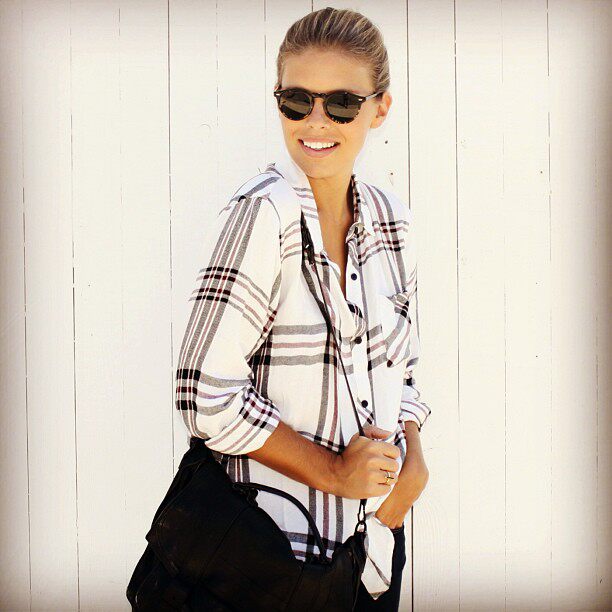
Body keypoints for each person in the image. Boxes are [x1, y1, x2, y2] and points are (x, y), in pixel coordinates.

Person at [175, 7, 431, 611]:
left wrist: (412, 466)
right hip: (263, 562)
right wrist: (333, 473)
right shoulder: (262, 216)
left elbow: (403, 368)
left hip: (369, 557)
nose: (316, 121)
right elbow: (202, 394)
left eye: (341, 103)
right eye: (297, 101)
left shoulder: (391, 219)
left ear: (379, 109)